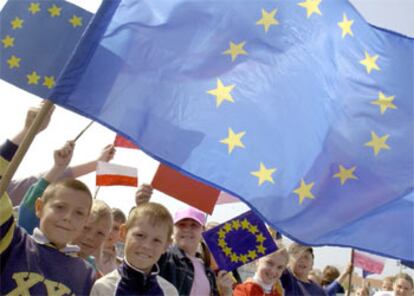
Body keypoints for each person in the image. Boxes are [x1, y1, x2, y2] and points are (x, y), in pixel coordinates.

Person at [1, 130, 95, 294]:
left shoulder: (87, 275)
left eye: (79, 213)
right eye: (59, 207)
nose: (67, 217)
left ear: (86, 221)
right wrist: (27, 130)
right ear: (39, 207)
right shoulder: (12, 240)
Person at [135, 184, 233, 296]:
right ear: (173, 230)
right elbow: (142, 249)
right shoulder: (163, 257)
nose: (187, 229)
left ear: (202, 231)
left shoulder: (208, 272)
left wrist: (226, 293)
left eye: (194, 225)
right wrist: (141, 208)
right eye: (182, 224)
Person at [90, 202, 178, 295]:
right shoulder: (103, 288)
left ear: (166, 246)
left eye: (156, 240)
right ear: (123, 233)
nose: (147, 246)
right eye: (140, 235)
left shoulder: (169, 292)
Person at [97, 207, 126, 275]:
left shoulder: (121, 268)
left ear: (121, 234)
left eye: (116, 228)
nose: (110, 231)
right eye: (107, 225)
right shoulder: (84, 252)